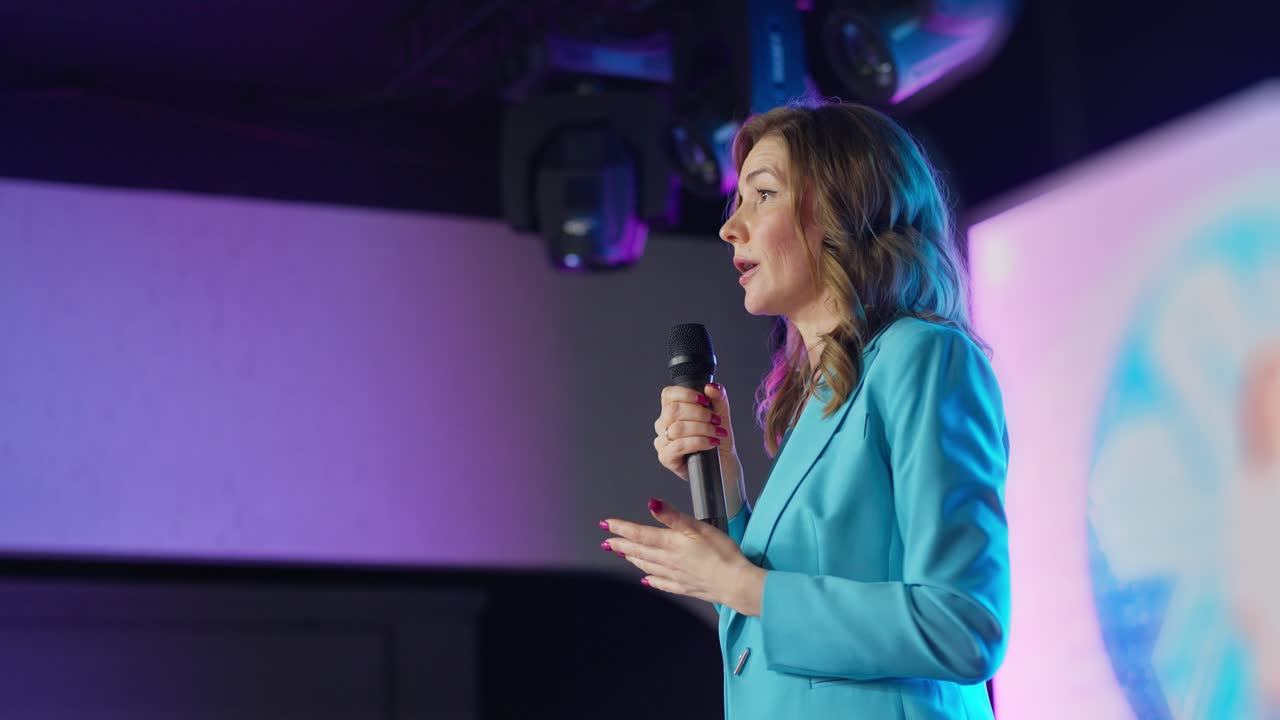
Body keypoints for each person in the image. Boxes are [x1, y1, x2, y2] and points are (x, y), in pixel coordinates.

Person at [598, 100, 1009, 719]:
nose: (730, 228)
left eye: (762, 195)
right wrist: (726, 482)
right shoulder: (826, 391)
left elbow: (964, 625)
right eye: (737, 202)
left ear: (845, 208)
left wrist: (739, 584)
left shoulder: (924, 356)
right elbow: (771, 619)